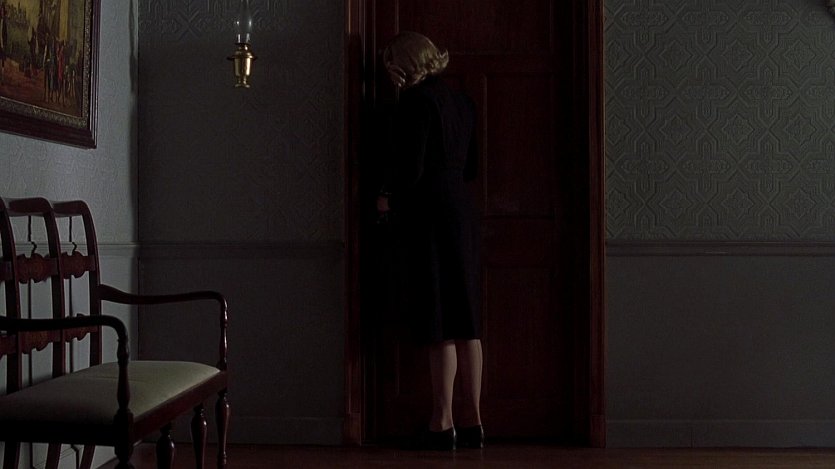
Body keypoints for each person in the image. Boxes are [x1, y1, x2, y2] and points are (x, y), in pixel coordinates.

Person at [377, 31, 483, 451]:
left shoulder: (415, 102)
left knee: (439, 321)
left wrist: (387, 198)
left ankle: (442, 422)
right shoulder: (463, 102)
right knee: (467, 321)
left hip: (431, 216)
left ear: (404, 66)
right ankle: (474, 422)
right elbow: (471, 167)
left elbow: (412, 170)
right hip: (462, 211)